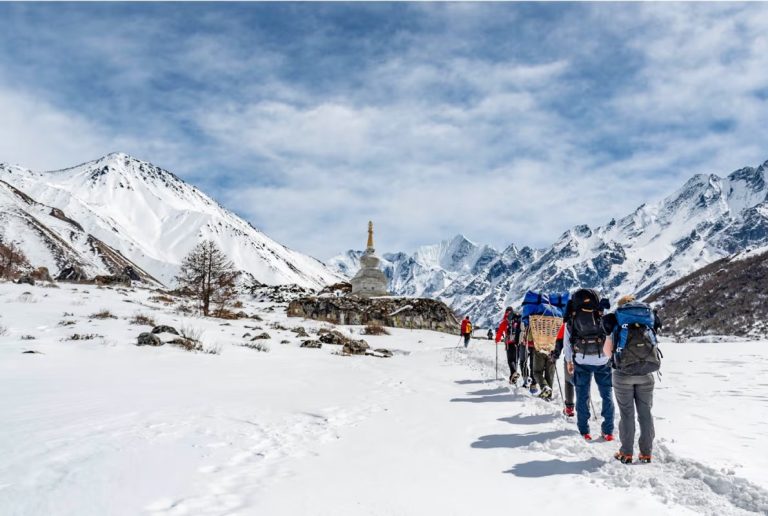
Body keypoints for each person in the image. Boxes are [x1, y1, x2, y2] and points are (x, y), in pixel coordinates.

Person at [604, 294, 662, 464]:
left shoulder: (616, 323)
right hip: (646, 374)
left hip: (623, 375)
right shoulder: (648, 320)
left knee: (627, 414)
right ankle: (646, 453)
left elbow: (608, 352)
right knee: (645, 414)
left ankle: (626, 453)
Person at [563, 289, 614, 441]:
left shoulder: (571, 318)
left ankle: (584, 431)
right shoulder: (601, 314)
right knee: (607, 395)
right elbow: (610, 337)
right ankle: (608, 431)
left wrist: (569, 361)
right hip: (602, 360)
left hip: (581, 360)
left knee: (582, 395)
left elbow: (567, 343)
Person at [495, 307, 522, 384]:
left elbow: (500, 332)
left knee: (510, 360)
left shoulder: (505, 321)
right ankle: (513, 377)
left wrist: (497, 339)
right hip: (518, 342)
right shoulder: (518, 319)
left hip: (509, 343)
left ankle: (513, 373)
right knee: (516, 360)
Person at [553, 322, 575, 416]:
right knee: (584, 383)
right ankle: (585, 408)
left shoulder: (568, 322)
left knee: (569, 382)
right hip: (589, 357)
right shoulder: (592, 316)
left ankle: (569, 408)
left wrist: (555, 355)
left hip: (571, 357)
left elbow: (559, 340)